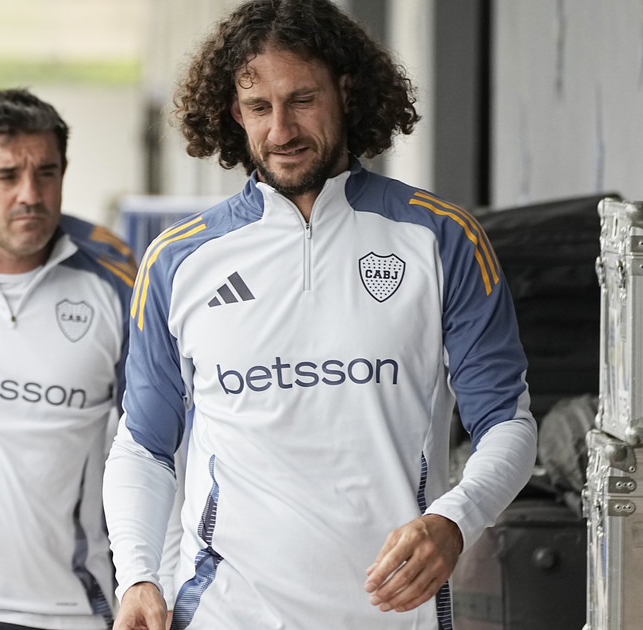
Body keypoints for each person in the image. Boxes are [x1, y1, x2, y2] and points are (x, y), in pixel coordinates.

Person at [102, 1, 539, 628]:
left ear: (346, 91)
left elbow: (507, 423)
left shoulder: (441, 238)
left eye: (302, 100)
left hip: (395, 615)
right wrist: (138, 575)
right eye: (258, 107)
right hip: (227, 613)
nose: (281, 129)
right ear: (234, 113)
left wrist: (455, 519)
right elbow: (145, 446)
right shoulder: (178, 261)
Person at [0, 89, 137, 630]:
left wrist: (159, 580)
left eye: (46, 173)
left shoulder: (117, 284)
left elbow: (157, 448)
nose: (30, 194)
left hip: (71, 610)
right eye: (8, 175)